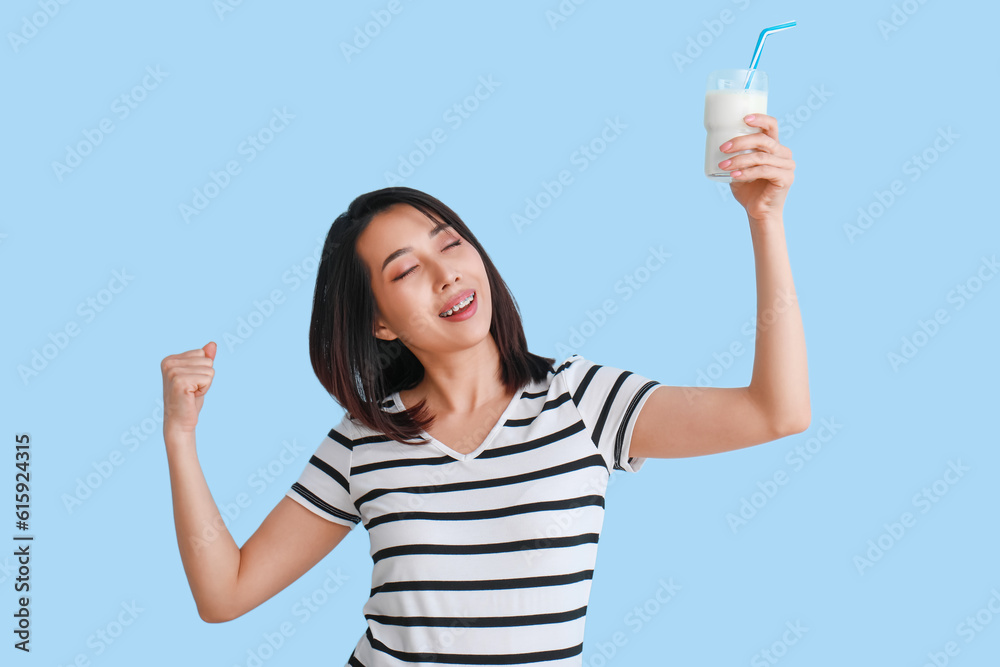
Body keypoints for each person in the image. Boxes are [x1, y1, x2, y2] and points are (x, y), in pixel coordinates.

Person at [161, 113, 808, 665]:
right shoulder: (364, 441)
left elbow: (777, 411)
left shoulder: (583, 402)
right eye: (407, 269)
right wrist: (180, 436)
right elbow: (226, 593)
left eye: (450, 242)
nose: (447, 273)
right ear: (380, 322)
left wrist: (765, 217)